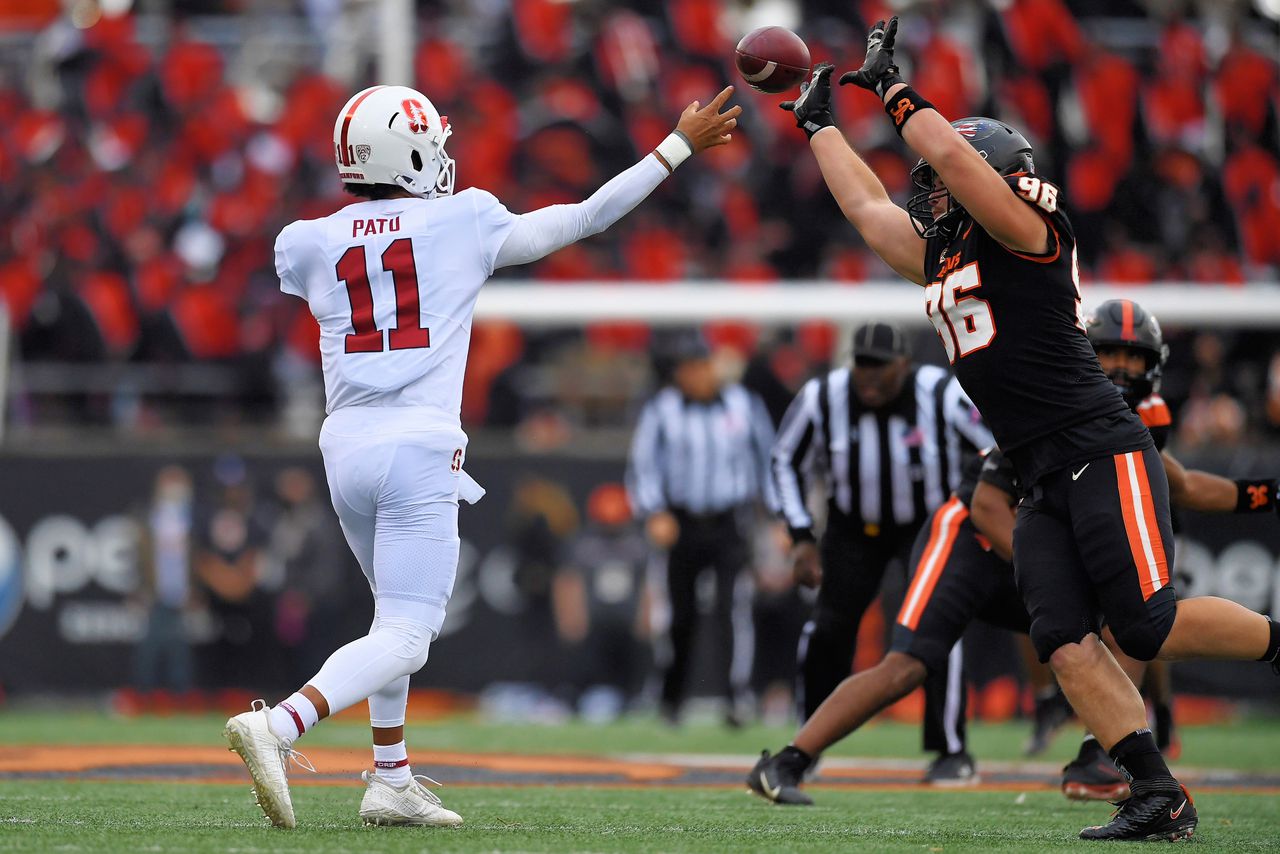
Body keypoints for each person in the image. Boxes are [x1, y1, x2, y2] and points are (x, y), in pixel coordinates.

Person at [774, 19, 1279, 841]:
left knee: (1144, 624)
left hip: (1097, 447)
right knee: (1063, 638)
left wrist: (897, 91)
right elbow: (869, 209)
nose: (924, 193)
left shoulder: (1030, 234)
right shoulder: (945, 255)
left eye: (937, 181)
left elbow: (956, 164)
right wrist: (820, 125)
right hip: (1038, 468)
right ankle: (1159, 792)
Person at [223, 82, 741, 829]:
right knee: (407, 633)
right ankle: (277, 728)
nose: (442, 156)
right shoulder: (461, 220)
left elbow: (329, 267)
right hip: (418, 444)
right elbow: (587, 217)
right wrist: (676, 147)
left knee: (387, 624)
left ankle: (391, 779)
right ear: (405, 154)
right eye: (429, 145)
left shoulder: (306, 239)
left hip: (345, 448)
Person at [748, 303, 1280, 808]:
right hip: (973, 537)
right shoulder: (1057, 403)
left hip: (1032, 541)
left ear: (1154, 364)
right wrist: (1048, 572)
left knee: (1133, 617)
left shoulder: (1143, 416)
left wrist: (1266, 494)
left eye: (1133, 356)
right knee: (907, 665)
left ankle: (1108, 753)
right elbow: (987, 503)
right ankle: (789, 760)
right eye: (1109, 354)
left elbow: (1178, 481)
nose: (1120, 368)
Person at [771, 320, 992, 782]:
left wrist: (975, 508)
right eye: (862, 366)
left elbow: (993, 448)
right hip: (852, 530)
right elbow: (784, 460)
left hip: (926, 527)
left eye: (881, 367)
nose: (869, 377)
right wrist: (801, 535)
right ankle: (806, 744)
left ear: (905, 365)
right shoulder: (824, 397)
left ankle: (951, 749)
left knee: (935, 627)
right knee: (828, 630)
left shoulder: (939, 393)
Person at [626, 333, 776, 726]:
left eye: (699, 365)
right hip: (682, 522)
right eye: (686, 368)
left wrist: (777, 519)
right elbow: (643, 464)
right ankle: (670, 698)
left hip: (730, 521)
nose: (694, 375)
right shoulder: (663, 410)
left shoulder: (744, 406)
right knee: (679, 614)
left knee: (733, 609)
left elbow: (766, 461)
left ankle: (735, 699)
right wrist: (654, 511)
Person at [552, 482, 652, 720]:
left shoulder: (639, 544)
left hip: (626, 622)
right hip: (593, 622)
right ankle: (573, 704)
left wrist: (646, 617)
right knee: (583, 669)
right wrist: (570, 617)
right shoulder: (582, 544)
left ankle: (633, 703)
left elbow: (649, 583)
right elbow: (568, 580)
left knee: (632, 670)